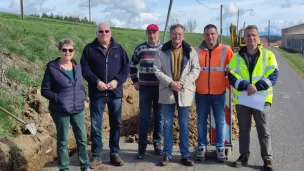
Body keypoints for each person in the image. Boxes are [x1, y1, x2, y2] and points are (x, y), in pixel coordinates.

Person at [228, 25, 278, 171]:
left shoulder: (268, 55)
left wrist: (257, 86)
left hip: (261, 98)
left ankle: (267, 159)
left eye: (253, 35)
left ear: (258, 37)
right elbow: (231, 74)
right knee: (244, 130)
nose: (251, 38)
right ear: (244, 38)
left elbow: (273, 74)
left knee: (264, 130)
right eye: (248, 35)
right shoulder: (236, 57)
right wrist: (245, 85)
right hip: (244, 99)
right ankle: (243, 156)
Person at [80, 23, 130, 168]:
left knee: (116, 124)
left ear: (111, 32)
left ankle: (114, 153)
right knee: (96, 125)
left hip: (115, 93)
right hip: (97, 93)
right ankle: (96, 155)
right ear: (97, 33)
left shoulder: (119, 49)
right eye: (101, 31)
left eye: (107, 31)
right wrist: (96, 82)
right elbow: (85, 69)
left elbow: (126, 68)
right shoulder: (89, 49)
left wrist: (117, 81)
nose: (104, 33)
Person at [153, 24, 200, 166]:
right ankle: (167, 154)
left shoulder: (190, 51)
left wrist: (182, 83)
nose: (177, 36)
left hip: (184, 92)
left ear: (183, 35)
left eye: (179, 34)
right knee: (167, 125)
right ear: (170, 35)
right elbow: (157, 69)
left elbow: (196, 69)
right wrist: (171, 83)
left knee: (184, 125)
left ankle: (185, 155)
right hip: (168, 92)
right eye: (174, 33)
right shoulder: (162, 50)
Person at [41, 39, 90, 171]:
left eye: (70, 50)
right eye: (64, 50)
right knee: (63, 141)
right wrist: (59, 98)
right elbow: (44, 90)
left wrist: (83, 98)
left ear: (73, 51)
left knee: (82, 139)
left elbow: (80, 85)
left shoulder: (77, 66)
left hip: (77, 108)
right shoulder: (52, 68)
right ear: (60, 51)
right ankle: (64, 168)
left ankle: (85, 166)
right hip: (60, 110)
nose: (67, 52)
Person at [194, 24, 234, 162]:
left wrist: (230, 87)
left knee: (220, 122)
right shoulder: (196, 51)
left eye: (212, 34)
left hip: (219, 93)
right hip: (201, 93)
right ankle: (202, 147)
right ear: (203, 35)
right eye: (207, 34)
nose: (210, 37)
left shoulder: (226, 50)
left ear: (217, 34)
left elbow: (233, 70)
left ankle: (220, 147)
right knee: (201, 121)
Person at [130, 24, 164, 159]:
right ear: (146, 33)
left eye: (154, 32)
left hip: (160, 88)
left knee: (159, 117)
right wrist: (135, 81)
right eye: (149, 33)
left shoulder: (164, 48)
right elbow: (131, 64)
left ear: (158, 33)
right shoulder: (140, 48)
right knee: (144, 118)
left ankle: (157, 143)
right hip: (144, 88)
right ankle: (142, 147)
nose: (152, 35)